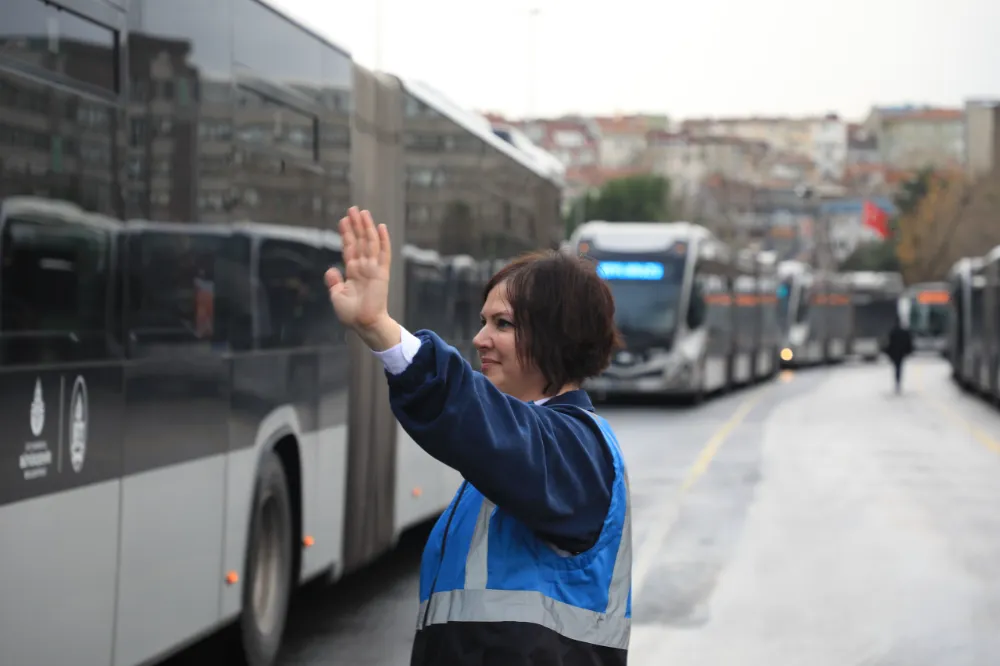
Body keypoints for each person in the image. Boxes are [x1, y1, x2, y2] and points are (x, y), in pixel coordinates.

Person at [324, 207, 633, 666]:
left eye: (502, 324)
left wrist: (381, 330)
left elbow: (477, 420)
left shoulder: (577, 451)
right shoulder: (532, 443)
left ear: (558, 336)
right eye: (484, 321)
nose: (479, 338)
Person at [884, 314, 914, 393]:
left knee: (896, 367)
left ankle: (897, 382)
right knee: (899, 367)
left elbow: (889, 343)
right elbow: (908, 342)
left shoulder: (893, 332)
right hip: (901, 352)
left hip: (895, 353)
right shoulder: (903, 332)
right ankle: (898, 382)